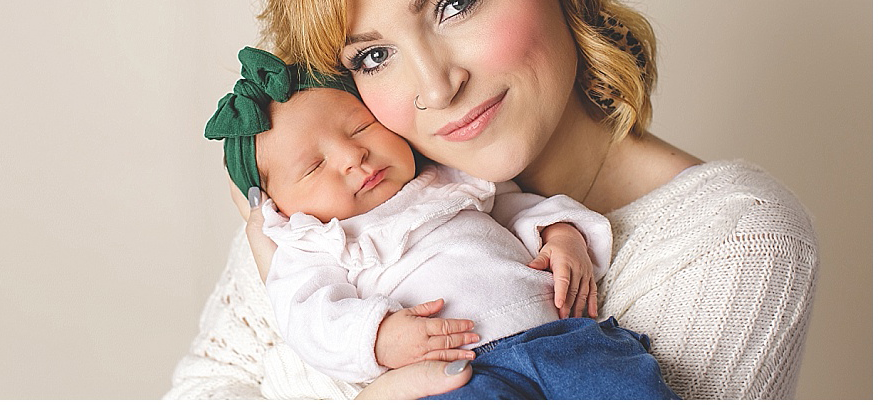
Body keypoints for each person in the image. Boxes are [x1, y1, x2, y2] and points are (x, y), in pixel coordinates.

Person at [169, 0, 819, 400]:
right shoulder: (344, 201)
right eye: (372, 55)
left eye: (456, 2)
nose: (436, 85)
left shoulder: (736, 240)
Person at [202, 47, 677, 400]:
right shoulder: (312, 243)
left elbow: (518, 209)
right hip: (458, 372)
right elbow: (309, 318)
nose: (353, 156)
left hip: (564, 339)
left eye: (360, 127)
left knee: (630, 383)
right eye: (312, 167)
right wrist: (378, 336)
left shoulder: (448, 177)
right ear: (278, 209)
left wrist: (562, 235)